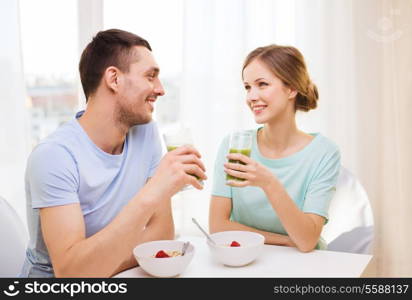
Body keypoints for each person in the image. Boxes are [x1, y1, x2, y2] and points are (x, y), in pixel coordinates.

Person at [20, 29, 207, 277]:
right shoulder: (54, 156)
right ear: (114, 79)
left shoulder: (145, 133)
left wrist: (98, 264)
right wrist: (154, 191)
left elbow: (161, 235)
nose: (160, 89)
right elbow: (71, 275)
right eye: (150, 76)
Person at [209, 45, 340, 252]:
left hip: (304, 265)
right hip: (247, 259)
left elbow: (306, 241)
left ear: (291, 88)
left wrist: (269, 183)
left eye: (262, 84)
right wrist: (286, 241)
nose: (251, 96)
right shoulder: (234, 146)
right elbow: (218, 227)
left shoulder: (323, 153)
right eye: (247, 87)